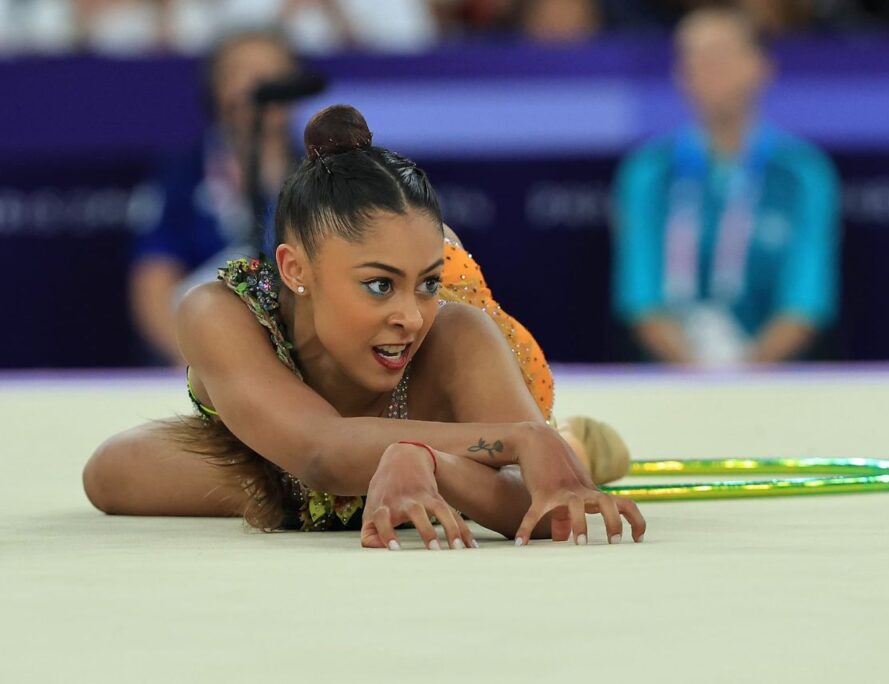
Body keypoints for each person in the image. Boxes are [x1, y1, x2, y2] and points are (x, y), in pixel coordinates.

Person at [84, 104, 644, 550]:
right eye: (379, 285)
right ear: (294, 269)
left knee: (551, 453)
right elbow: (321, 453)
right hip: (278, 458)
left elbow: (539, 510)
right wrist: (515, 440)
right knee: (111, 473)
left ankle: (573, 438)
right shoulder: (218, 311)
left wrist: (436, 462)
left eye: (426, 283)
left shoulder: (454, 332)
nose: (410, 314)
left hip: (451, 415)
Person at [612, 4, 840, 367]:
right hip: (670, 386)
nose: (707, 70)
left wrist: (743, 377)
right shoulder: (647, 172)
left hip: (778, 387)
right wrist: (698, 376)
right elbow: (642, 299)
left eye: (721, 56)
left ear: (760, 66)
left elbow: (806, 301)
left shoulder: (802, 173)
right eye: (694, 58)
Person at [130, 29, 299, 364]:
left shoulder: (326, 172)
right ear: (215, 89)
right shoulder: (180, 176)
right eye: (241, 73)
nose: (258, 86)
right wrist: (196, 370)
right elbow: (152, 285)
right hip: (202, 357)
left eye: (272, 74)